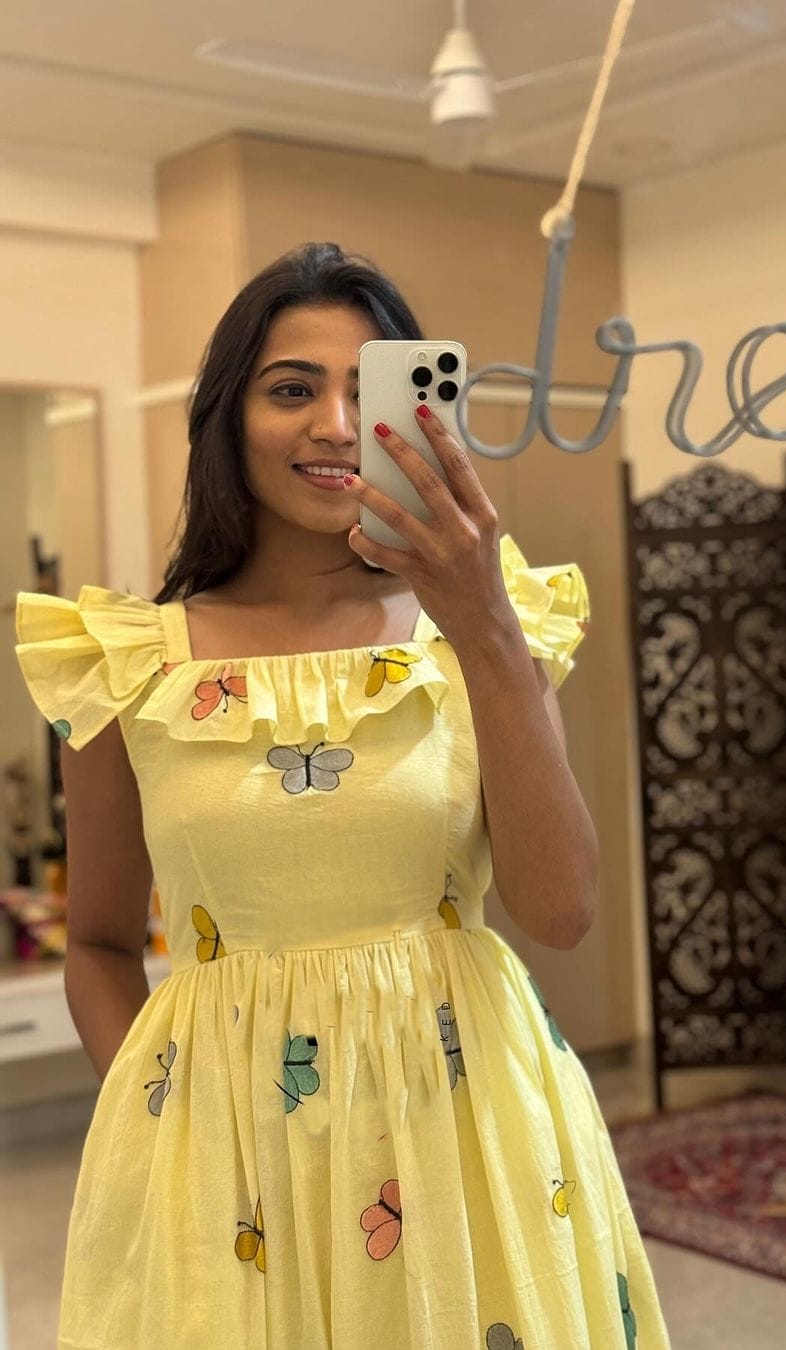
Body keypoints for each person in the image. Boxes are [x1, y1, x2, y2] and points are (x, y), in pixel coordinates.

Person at [15, 241, 671, 1348]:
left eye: (370, 392)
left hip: (470, 1136)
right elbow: (99, 946)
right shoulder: (129, 662)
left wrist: (483, 623)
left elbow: (561, 910)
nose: (336, 424)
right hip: (225, 1165)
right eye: (292, 390)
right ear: (227, 418)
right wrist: (162, 1127)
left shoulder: (486, 629)